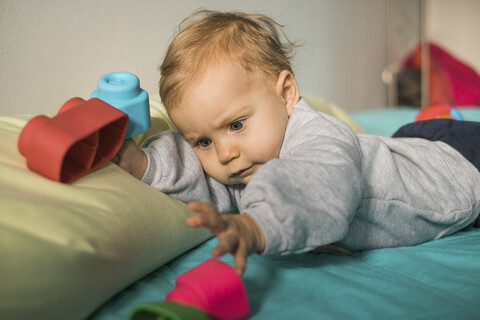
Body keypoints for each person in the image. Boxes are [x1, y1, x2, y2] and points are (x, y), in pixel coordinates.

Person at [114, 9, 480, 276]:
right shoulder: (241, 164)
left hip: (459, 160)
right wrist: (141, 163)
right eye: (204, 141)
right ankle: (431, 119)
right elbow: (190, 166)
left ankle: (439, 120)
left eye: (237, 124)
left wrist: (258, 226)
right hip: (405, 148)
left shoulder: (318, 135)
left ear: (287, 94)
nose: (225, 154)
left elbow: (317, 182)